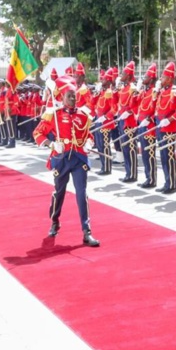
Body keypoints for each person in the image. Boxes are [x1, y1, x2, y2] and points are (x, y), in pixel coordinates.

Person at [32, 76, 100, 247]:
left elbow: (88, 135)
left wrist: (89, 142)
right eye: (69, 96)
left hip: (78, 159)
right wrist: (51, 144)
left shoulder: (83, 116)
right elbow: (37, 134)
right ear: (61, 97)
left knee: (81, 193)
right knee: (59, 192)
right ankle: (54, 221)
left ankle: (87, 231)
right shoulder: (53, 115)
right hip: (61, 159)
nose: (73, 98)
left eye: (74, 95)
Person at [154, 62, 176, 194]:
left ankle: (172, 184)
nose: (161, 79)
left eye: (163, 77)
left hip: (168, 128)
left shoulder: (174, 91)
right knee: (163, 156)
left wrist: (169, 120)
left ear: (170, 78)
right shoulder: (162, 91)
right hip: (160, 126)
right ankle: (167, 182)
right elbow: (157, 107)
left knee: (169, 156)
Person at [115, 61, 140, 183]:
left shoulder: (132, 88)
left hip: (129, 122)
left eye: (124, 73)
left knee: (130, 148)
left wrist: (128, 112)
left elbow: (135, 107)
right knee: (124, 147)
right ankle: (128, 172)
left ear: (129, 76)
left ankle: (133, 174)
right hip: (122, 120)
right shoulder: (123, 88)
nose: (121, 75)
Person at [92, 70, 117, 175]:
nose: (101, 80)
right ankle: (103, 166)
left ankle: (107, 167)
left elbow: (114, 108)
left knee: (105, 146)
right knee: (99, 145)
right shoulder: (102, 92)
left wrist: (106, 117)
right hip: (98, 120)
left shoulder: (109, 92)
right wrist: (96, 94)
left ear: (108, 80)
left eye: (103, 79)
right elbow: (92, 103)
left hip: (105, 123)